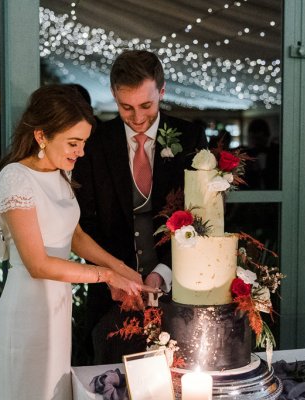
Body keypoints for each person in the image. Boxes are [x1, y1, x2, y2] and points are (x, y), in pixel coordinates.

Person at [0, 85, 152, 399]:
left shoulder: (59, 173)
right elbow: (37, 264)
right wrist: (105, 276)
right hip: (27, 312)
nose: (81, 152)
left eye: (84, 142)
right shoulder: (15, 178)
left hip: (58, 310)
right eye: (73, 143)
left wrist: (122, 269)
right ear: (41, 136)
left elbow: (74, 235)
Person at [72, 50, 208, 364]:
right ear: (113, 95)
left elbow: (201, 218)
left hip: (179, 289)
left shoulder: (189, 138)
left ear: (161, 91)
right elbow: (84, 223)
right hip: (111, 298)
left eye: (146, 105)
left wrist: (162, 272)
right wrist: (113, 277)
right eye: (126, 107)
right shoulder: (94, 142)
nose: (137, 117)